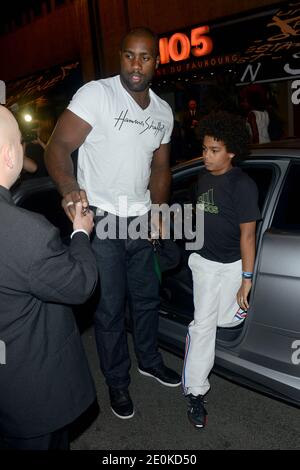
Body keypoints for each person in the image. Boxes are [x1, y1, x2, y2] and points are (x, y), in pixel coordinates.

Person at [45, 27, 181, 420]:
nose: (137, 65)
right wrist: (70, 186)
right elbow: (58, 146)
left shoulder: (161, 111)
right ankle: (117, 382)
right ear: (119, 56)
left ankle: (149, 361)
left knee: (147, 298)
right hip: (101, 217)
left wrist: (158, 211)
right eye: (129, 56)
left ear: (157, 61)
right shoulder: (97, 95)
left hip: (139, 219)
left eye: (146, 57)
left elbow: (160, 168)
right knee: (108, 308)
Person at [0, 105, 98, 450]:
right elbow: (80, 284)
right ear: (11, 154)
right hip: (27, 395)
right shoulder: (25, 232)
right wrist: (80, 233)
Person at [182, 111, 261, 429]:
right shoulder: (202, 179)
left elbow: (248, 234)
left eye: (214, 150)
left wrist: (246, 279)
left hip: (231, 266)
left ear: (231, 151)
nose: (206, 156)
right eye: (204, 149)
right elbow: (201, 217)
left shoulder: (242, 185)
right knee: (202, 327)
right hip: (204, 265)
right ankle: (194, 392)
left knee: (226, 319)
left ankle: (218, 317)